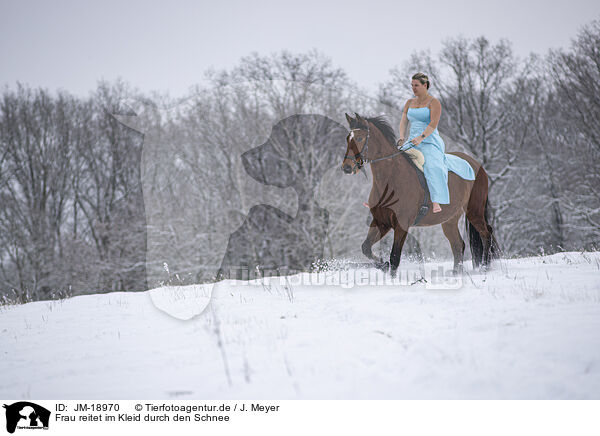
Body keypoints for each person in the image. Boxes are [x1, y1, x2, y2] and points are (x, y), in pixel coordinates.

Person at [396, 72, 452, 213]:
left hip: (429, 140)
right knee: (393, 162)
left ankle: (436, 200)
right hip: (411, 141)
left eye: (416, 85)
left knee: (432, 166)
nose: (413, 88)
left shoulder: (434, 102)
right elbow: (403, 122)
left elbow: (433, 124)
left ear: (425, 85)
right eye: (412, 85)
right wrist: (402, 136)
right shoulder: (409, 103)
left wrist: (421, 138)